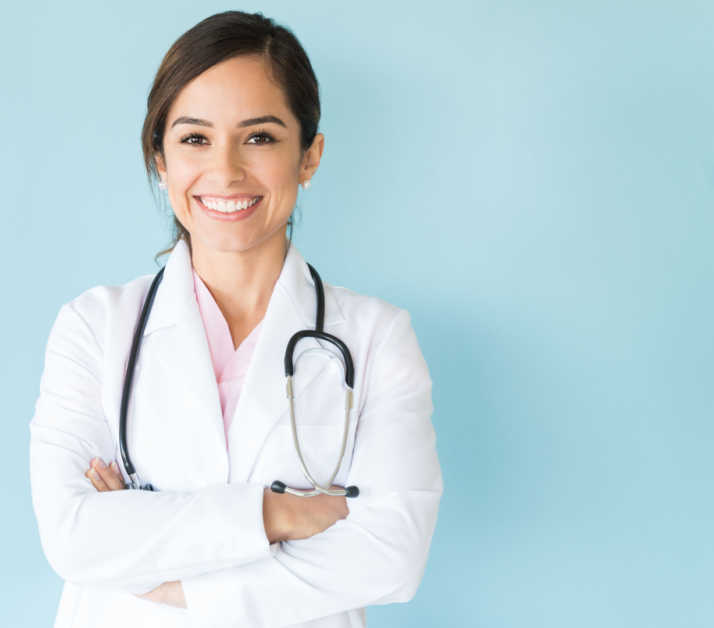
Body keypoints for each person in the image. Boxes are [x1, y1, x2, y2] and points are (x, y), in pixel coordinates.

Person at [28, 10, 442, 628]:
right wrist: (275, 515)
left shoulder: (377, 337)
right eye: (195, 138)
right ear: (160, 158)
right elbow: (73, 536)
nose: (225, 170)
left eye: (260, 137)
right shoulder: (94, 328)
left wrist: (164, 574)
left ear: (310, 156)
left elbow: (391, 556)